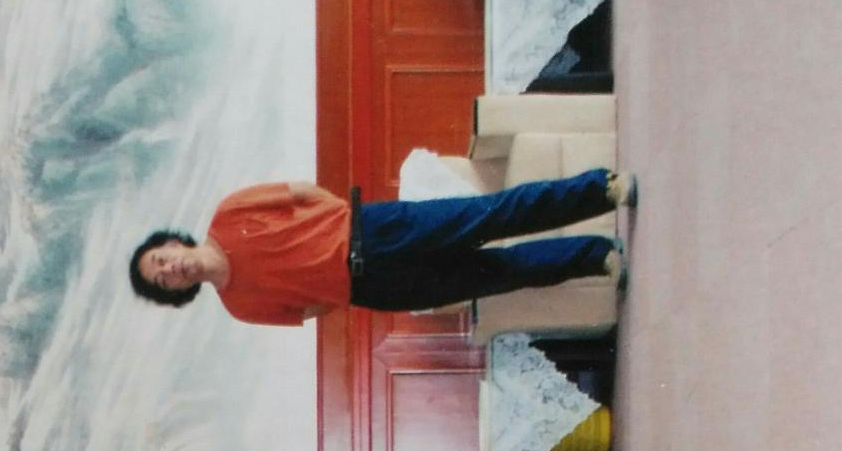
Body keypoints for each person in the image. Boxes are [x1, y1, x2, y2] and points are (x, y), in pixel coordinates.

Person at [128, 171, 636, 326]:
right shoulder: (240, 308)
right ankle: (597, 257)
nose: (170, 269)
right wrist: (345, 280)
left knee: (492, 214)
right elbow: (311, 309)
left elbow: (302, 192)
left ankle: (601, 190)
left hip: (378, 229)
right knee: (497, 274)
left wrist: (344, 225)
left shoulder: (230, 210)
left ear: (171, 242)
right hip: (376, 287)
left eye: (161, 260)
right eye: (163, 280)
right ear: (176, 292)